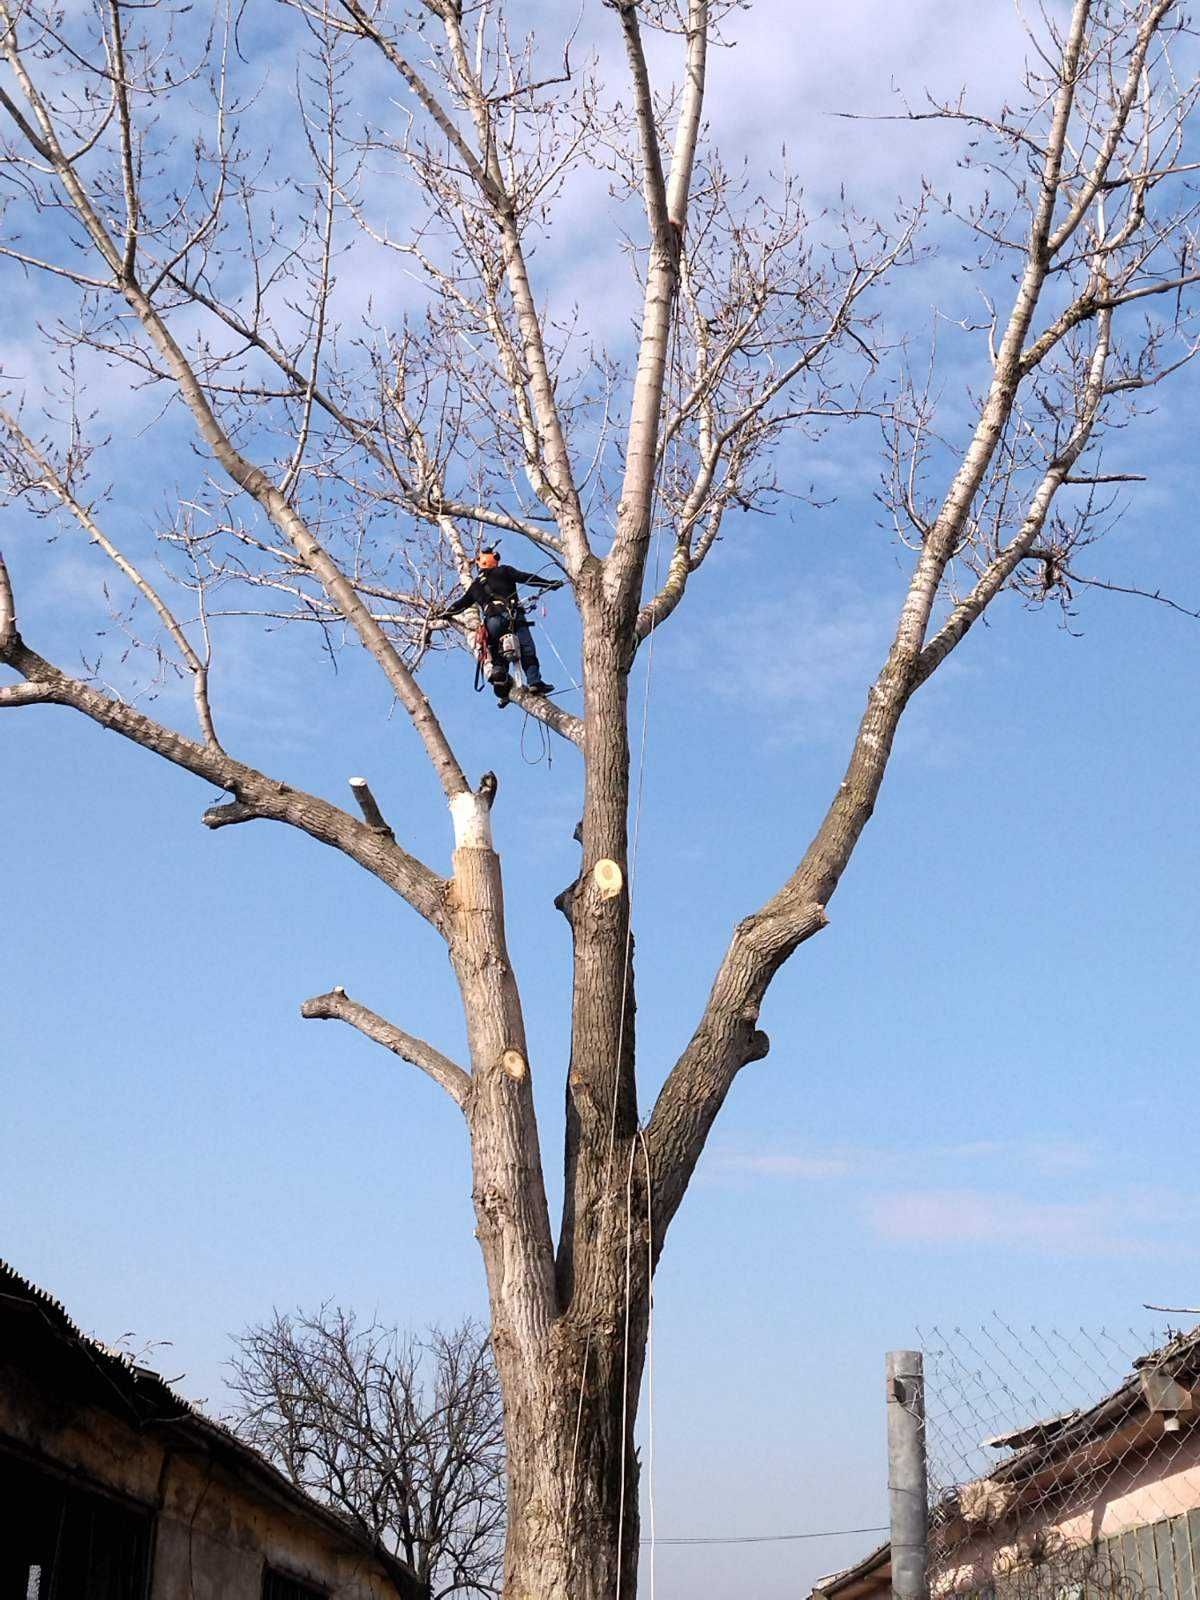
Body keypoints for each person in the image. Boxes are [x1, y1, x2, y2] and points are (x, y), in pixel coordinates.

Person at [439, 549, 563, 706]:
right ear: (493, 560)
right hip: (512, 617)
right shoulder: (504, 570)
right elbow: (526, 578)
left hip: (492, 623)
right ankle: (534, 682)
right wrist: (549, 584)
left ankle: (501, 680)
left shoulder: (475, 585)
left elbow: (460, 604)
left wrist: (445, 613)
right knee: (526, 649)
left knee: (498, 655)